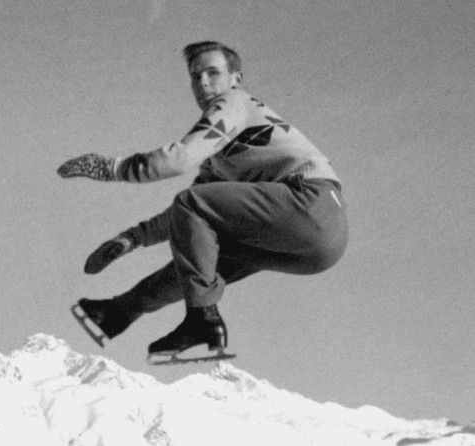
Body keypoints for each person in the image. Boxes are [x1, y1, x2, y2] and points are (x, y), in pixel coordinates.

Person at [57, 41, 348, 359]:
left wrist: (108, 168)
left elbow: (179, 161)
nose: (204, 84)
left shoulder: (235, 102)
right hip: (316, 249)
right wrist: (132, 238)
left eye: (213, 73)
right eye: (196, 77)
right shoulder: (219, 159)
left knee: (193, 206)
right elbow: (186, 219)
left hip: (309, 201)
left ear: (236, 78)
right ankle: (120, 311)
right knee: (202, 256)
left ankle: (201, 320)